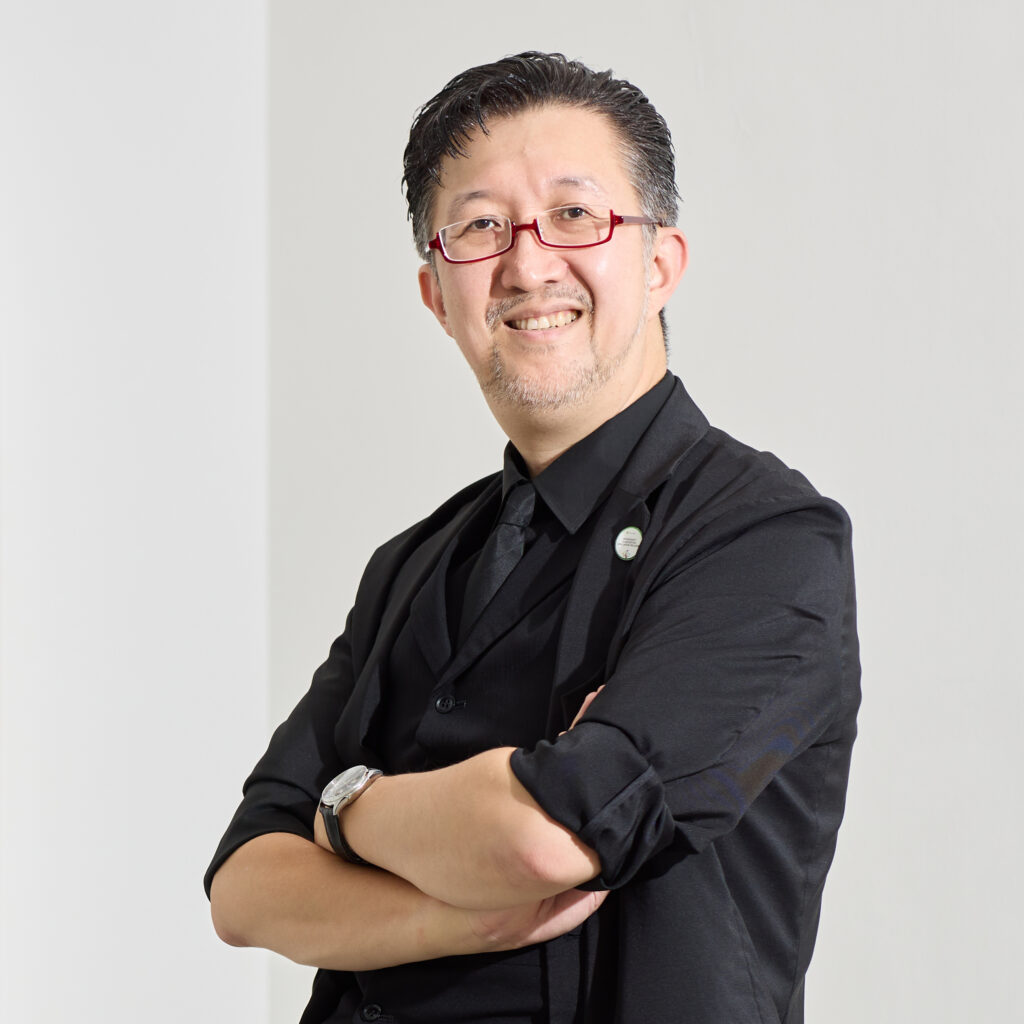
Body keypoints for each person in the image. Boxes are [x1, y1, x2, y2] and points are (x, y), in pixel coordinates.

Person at [205, 52, 860, 1024]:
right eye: (480, 227)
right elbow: (245, 887)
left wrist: (342, 808)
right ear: (437, 295)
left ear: (659, 263)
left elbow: (549, 837)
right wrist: (463, 913)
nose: (527, 264)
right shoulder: (415, 563)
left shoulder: (761, 536)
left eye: (573, 214)